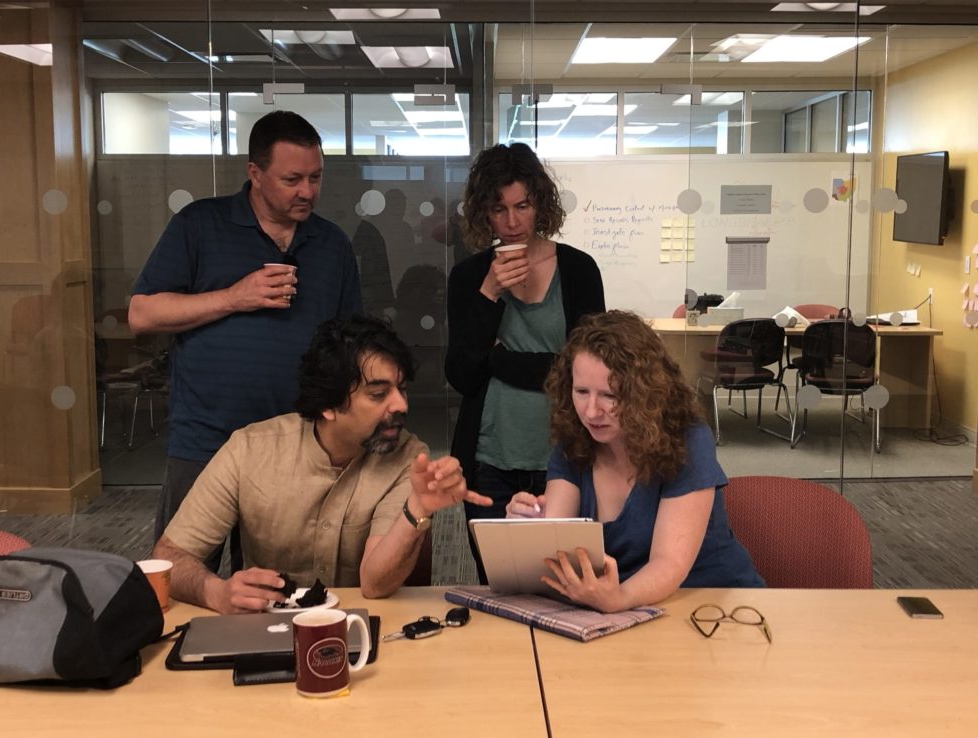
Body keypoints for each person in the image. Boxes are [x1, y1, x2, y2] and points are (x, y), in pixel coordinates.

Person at [130, 111, 363, 572]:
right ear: (254, 173)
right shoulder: (199, 224)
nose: (307, 191)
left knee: (275, 589)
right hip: (206, 437)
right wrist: (235, 297)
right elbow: (142, 314)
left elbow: (351, 341)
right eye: (292, 178)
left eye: (316, 177)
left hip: (295, 442)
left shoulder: (331, 242)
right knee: (179, 576)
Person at [151, 316, 491, 614]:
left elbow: (374, 583)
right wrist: (218, 593)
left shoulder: (406, 455)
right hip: (265, 629)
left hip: (368, 630)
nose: (401, 404)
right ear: (328, 405)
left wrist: (417, 508)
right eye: (378, 394)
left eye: (401, 389)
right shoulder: (250, 450)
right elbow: (170, 558)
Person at [506, 311, 764, 612]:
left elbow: (668, 563)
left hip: (710, 605)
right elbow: (559, 545)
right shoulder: (574, 440)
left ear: (644, 392)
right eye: (581, 392)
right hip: (622, 612)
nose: (591, 412)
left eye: (610, 396)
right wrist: (531, 531)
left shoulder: (687, 439)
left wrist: (620, 599)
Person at [445, 142, 605, 582]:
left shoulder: (578, 270)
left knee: (567, 579)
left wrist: (502, 360)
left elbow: (589, 370)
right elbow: (462, 374)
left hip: (564, 453)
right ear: (483, 213)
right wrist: (489, 294)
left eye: (523, 206)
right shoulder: (468, 277)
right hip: (489, 455)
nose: (512, 222)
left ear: (541, 205)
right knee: (499, 579)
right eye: (499, 209)